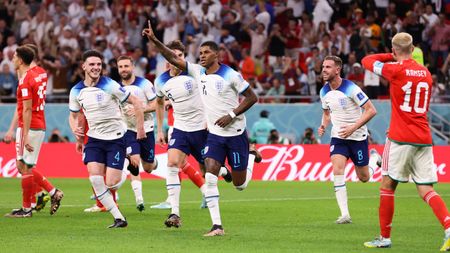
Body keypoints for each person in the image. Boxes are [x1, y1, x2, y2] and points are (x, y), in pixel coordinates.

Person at [143, 21, 261, 236]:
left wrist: (232, 115)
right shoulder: (197, 72)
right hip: (214, 135)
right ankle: (217, 226)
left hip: (235, 133)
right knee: (210, 177)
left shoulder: (231, 75)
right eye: (200, 53)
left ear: (217, 55)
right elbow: (172, 58)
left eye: (206, 52)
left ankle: (251, 155)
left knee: (239, 184)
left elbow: (253, 97)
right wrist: (154, 40)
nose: (202, 56)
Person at [362, 32, 450, 250]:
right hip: (423, 137)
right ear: (412, 50)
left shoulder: (395, 69)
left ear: (394, 50)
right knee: (426, 189)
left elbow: (366, 61)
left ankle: (384, 238)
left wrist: (390, 56)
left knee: (387, 185)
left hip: (401, 137)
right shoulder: (426, 73)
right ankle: (449, 229)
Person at [153, 40, 231, 227]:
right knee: (172, 163)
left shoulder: (197, 73)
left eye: (179, 56)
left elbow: (212, 94)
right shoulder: (161, 81)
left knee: (208, 169)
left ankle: (223, 170)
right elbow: (159, 103)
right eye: (172, 56)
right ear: (166, 59)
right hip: (180, 129)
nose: (175, 59)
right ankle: (175, 213)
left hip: (202, 129)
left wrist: (209, 117)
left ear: (184, 58)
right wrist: (159, 129)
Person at [68, 50, 145, 228]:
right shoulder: (76, 91)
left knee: (111, 183)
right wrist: (77, 134)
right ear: (84, 66)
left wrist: (140, 128)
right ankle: (119, 218)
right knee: (95, 179)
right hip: (94, 140)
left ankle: (125, 169)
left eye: (99, 65)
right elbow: (73, 116)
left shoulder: (110, 85)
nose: (96, 68)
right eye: (92, 64)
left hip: (116, 139)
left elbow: (135, 101)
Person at [317, 55, 380, 224]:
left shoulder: (351, 88)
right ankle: (345, 214)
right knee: (337, 170)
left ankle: (375, 159)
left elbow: (371, 110)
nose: (324, 70)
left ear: (338, 70)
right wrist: (323, 125)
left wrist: (353, 128)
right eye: (323, 66)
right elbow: (326, 112)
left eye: (328, 67)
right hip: (338, 138)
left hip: (358, 138)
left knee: (364, 177)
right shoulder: (324, 91)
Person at [4, 45, 64, 218]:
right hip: (38, 124)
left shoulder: (26, 80)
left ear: (21, 60)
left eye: (15, 56)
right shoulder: (41, 73)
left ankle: (35, 203)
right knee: (24, 165)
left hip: (29, 126)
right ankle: (34, 202)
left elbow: (27, 109)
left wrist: (25, 135)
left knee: (26, 167)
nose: (12, 59)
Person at [116, 55, 158, 211]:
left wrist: (140, 109)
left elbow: (156, 104)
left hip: (147, 129)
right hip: (128, 130)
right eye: (120, 67)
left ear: (132, 67)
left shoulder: (144, 84)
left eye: (126, 66)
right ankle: (139, 199)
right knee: (133, 162)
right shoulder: (117, 88)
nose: (123, 69)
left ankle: (154, 163)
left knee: (148, 167)